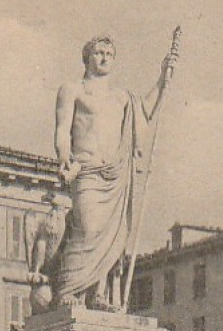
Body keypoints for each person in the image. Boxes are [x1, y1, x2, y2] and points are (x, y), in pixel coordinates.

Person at [53, 35, 178, 309]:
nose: (105, 57)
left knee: (113, 236)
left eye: (110, 53)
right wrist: (64, 158)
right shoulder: (72, 90)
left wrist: (161, 79)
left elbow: (144, 112)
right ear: (86, 57)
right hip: (85, 169)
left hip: (116, 174)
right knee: (88, 228)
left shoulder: (121, 97)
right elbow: (63, 131)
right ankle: (68, 290)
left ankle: (98, 295)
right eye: (99, 52)